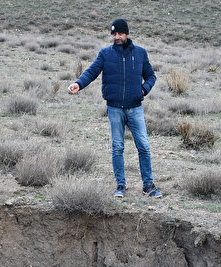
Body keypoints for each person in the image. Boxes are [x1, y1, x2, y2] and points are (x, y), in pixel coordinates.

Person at [68, 19, 162, 198]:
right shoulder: (105, 54)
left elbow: (151, 76)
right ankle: (120, 186)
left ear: (126, 33)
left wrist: (144, 89)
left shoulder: (140, 53)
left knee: (143, 147)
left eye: (120, 33)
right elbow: (92, 71)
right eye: (114, 34)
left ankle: (148, 185)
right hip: (114, 109)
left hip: (135, 108)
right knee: (117, 147)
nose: (117, 37)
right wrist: (78, 84)